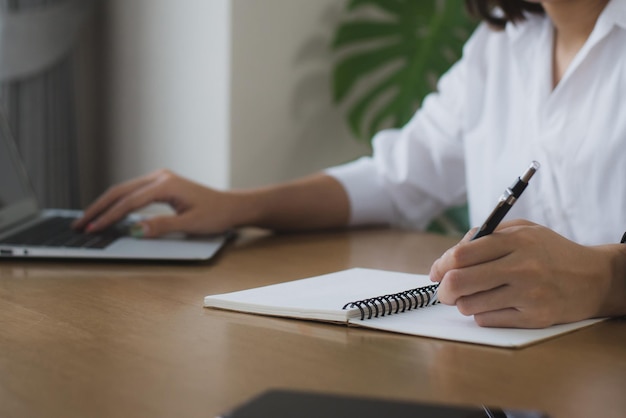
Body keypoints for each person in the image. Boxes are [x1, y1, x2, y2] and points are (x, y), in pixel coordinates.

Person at [74, 0, 626, 328]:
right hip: (512, 380)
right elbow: (395, 177)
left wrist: (604, 280)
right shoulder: (500, 46)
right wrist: (238, 206)